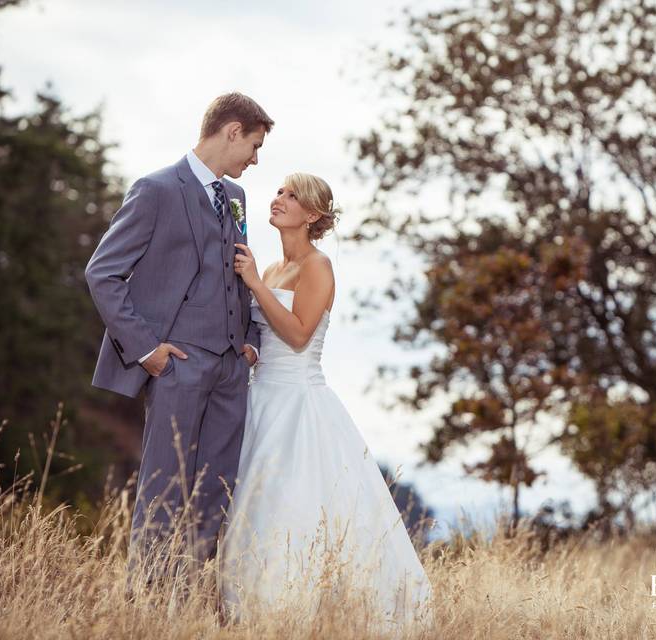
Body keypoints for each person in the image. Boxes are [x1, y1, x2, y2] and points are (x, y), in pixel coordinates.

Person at [221, 173, 433, 629]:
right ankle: (248, 615)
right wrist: (252, 345)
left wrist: (254, 284)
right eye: (279, 191)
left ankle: (302, 611)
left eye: (291, 195)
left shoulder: (318, 267)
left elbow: (298, 335)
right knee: (251, 505)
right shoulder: (276, 269)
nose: (278, 199)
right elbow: (266, 330)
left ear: (312, 215)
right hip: (261, 396)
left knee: (291, 503)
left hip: (299, 403)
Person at [84, 92, 273, 584]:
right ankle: (147, 599)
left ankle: (188, 594)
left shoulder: (236, 198)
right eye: (253, 146)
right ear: (232, 131)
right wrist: (147, 350)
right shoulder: (156, 189)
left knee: (216, 487)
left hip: (233, 366)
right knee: (165, 485)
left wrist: (250, 339)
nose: (255, 159)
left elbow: (239, 272)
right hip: (178, 363)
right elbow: (103, 273)